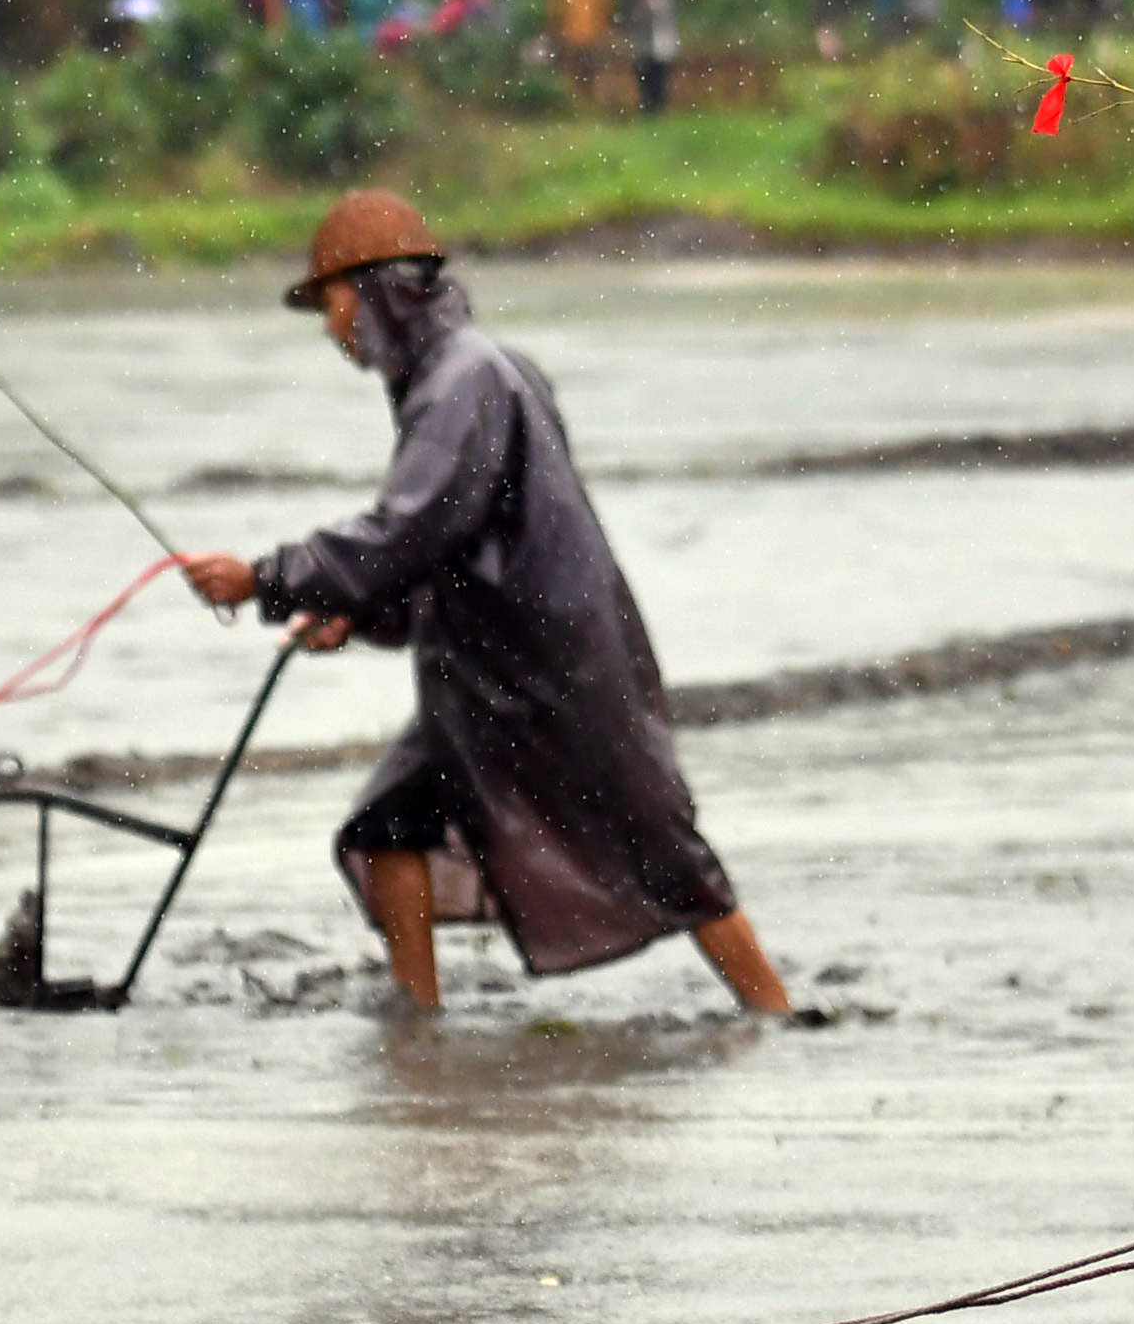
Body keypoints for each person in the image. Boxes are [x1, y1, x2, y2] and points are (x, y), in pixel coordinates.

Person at [179, 192, 793, 1017]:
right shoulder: (467, 373)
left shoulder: (462, 384)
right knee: (386, 826)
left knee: (662, 853)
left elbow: (404, 532)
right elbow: (452, 546)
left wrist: (266, 577)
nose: (333, 330)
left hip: (546, 672)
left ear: (380, 291)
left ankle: (778, 1013)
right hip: (487, 674)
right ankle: (417, 1016)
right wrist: (361, 616)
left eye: (333, 304)